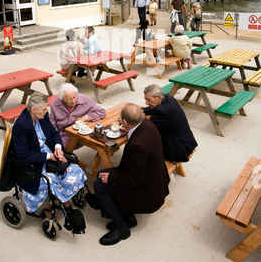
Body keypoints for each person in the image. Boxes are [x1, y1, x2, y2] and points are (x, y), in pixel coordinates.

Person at [93, 103, 170, 246]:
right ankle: (128, 216)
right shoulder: (147, 124)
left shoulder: (138, 146)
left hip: (146, 190)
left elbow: (133, 180)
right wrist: (128, 131)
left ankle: (121, 226)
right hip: (155, 178)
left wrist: (111, 178)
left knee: (99, 184)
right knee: (101, 174)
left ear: (125, 122)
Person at [12, 92, 87, 216]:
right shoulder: (21, 125)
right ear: (33, 110)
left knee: (75, 170)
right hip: (33, 163)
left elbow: (54, 133)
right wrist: (48, 156)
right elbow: (22, 155)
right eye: (43, 109)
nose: (46, 111)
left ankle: (59, 201)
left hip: (50, 154)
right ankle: (62, 202)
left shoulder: (42, 116)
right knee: (52, 180)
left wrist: (58, 147)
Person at [143, 84, 197, 163]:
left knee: (142, 142)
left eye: (149, 100)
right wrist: (142, 110)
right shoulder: (168, 98)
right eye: (145, 99)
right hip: (188, 142)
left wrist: (141, 118)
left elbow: (147, 128)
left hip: (179, 150)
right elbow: (153, 108)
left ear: (158, 97)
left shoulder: (162, 112)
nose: (146, 103)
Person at [49, 83, 106, 148]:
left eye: (74, 97)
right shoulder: (54, 104)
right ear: (63, 99)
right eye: (69, 99)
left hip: (77, 132)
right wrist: (56, 136)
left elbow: (101, 112)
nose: (73, 101)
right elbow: (52, 122)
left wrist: (85, 117)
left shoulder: (85, 99)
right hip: (61, 133)